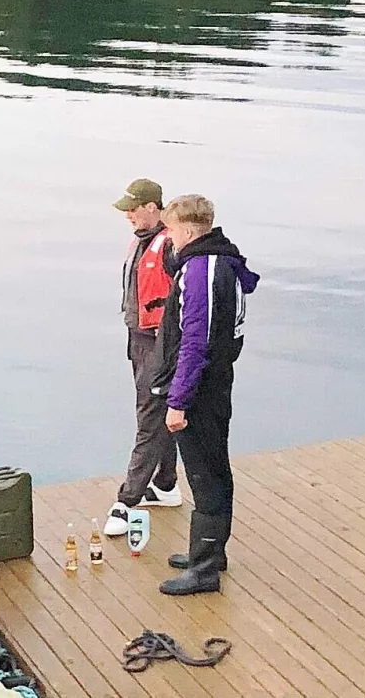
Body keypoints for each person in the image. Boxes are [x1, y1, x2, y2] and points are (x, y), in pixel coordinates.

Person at [154, 195, 259, 596]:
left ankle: (205, 568)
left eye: (171, 231)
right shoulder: (217, 260)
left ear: (186, 231)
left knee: (205, 472)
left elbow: (196, 340)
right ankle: (211, 551)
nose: (169, 239)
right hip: (213, 383)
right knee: (212, 466)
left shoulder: (202, 270)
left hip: (202, 389)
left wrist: (178, 400)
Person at [104, 178, 184, 538]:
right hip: (139, 341)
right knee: (157, 412)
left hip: (160, 345)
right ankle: (166, 485)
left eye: (133, 210)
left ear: (153, 207)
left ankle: (127, 500)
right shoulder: (143, 241)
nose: (129, 217)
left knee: (149, 419)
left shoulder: (170, 246)